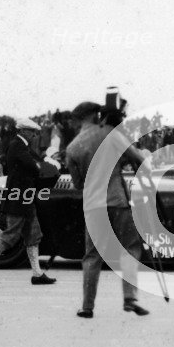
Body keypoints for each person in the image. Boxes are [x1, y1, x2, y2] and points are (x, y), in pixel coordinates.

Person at [66, 101, 151, 318]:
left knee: (92, 256)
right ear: (94, 115)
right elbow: (139, 159)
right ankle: (130, 298)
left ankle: (87, 306)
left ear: (77, 120)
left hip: (93, 205)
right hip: (116, 200)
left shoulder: (72, 147)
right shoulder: (111, 135)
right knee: (130, 248)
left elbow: (77, 184)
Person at [0, 118, 56, 286]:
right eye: (32, 132)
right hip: (19, 200)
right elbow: (33, 166)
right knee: (10, 236)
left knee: (33, 235)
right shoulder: (18, 145)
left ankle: (37, 274)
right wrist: (44, 166)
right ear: (24, 131)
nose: (34, 135)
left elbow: (35, 161)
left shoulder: (21, 146)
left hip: (23, 199)